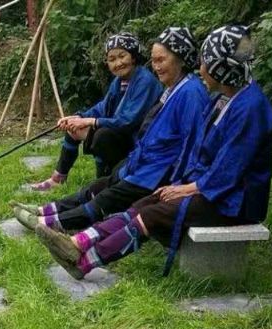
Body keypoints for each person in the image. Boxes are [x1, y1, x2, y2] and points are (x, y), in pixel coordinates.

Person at [33, 24, 272, 280]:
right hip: (208, 186)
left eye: (206, 62)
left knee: (152, 214)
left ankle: (85, 261)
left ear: (222, 66)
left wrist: (187, 187)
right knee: (145, 203)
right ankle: (78, 242)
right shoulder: (223, 99)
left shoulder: (249, 108)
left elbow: (230, 168)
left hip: (233, 200)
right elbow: (201, 151)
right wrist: (183, 182)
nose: (201, 68)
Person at [13, 26, 206, 234]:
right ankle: (46, 210)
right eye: (154, 60)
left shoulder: (188, 92)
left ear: (180, 59)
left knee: (108, 191)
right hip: (143, 160)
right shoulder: (170, 87)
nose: (156, 66)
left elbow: (190, 143)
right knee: (100, 186)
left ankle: (53, 223)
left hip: (155, 168)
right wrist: (79, 117)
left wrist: (181, 183)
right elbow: (103, 107)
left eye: (161, 60)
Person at [28, 32, 163, 190]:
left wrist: (91, 121)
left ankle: (105, 179)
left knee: (102, 136)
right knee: (75, 127)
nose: (118, 63)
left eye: (122, 56)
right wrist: (78, 117)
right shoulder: (119, 81)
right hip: (124, 135)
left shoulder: (145, 81)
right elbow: (103, 108)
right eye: (112, 59)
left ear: (133, 57)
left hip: (139, 142)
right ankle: (57, 178)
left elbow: (128, 121)